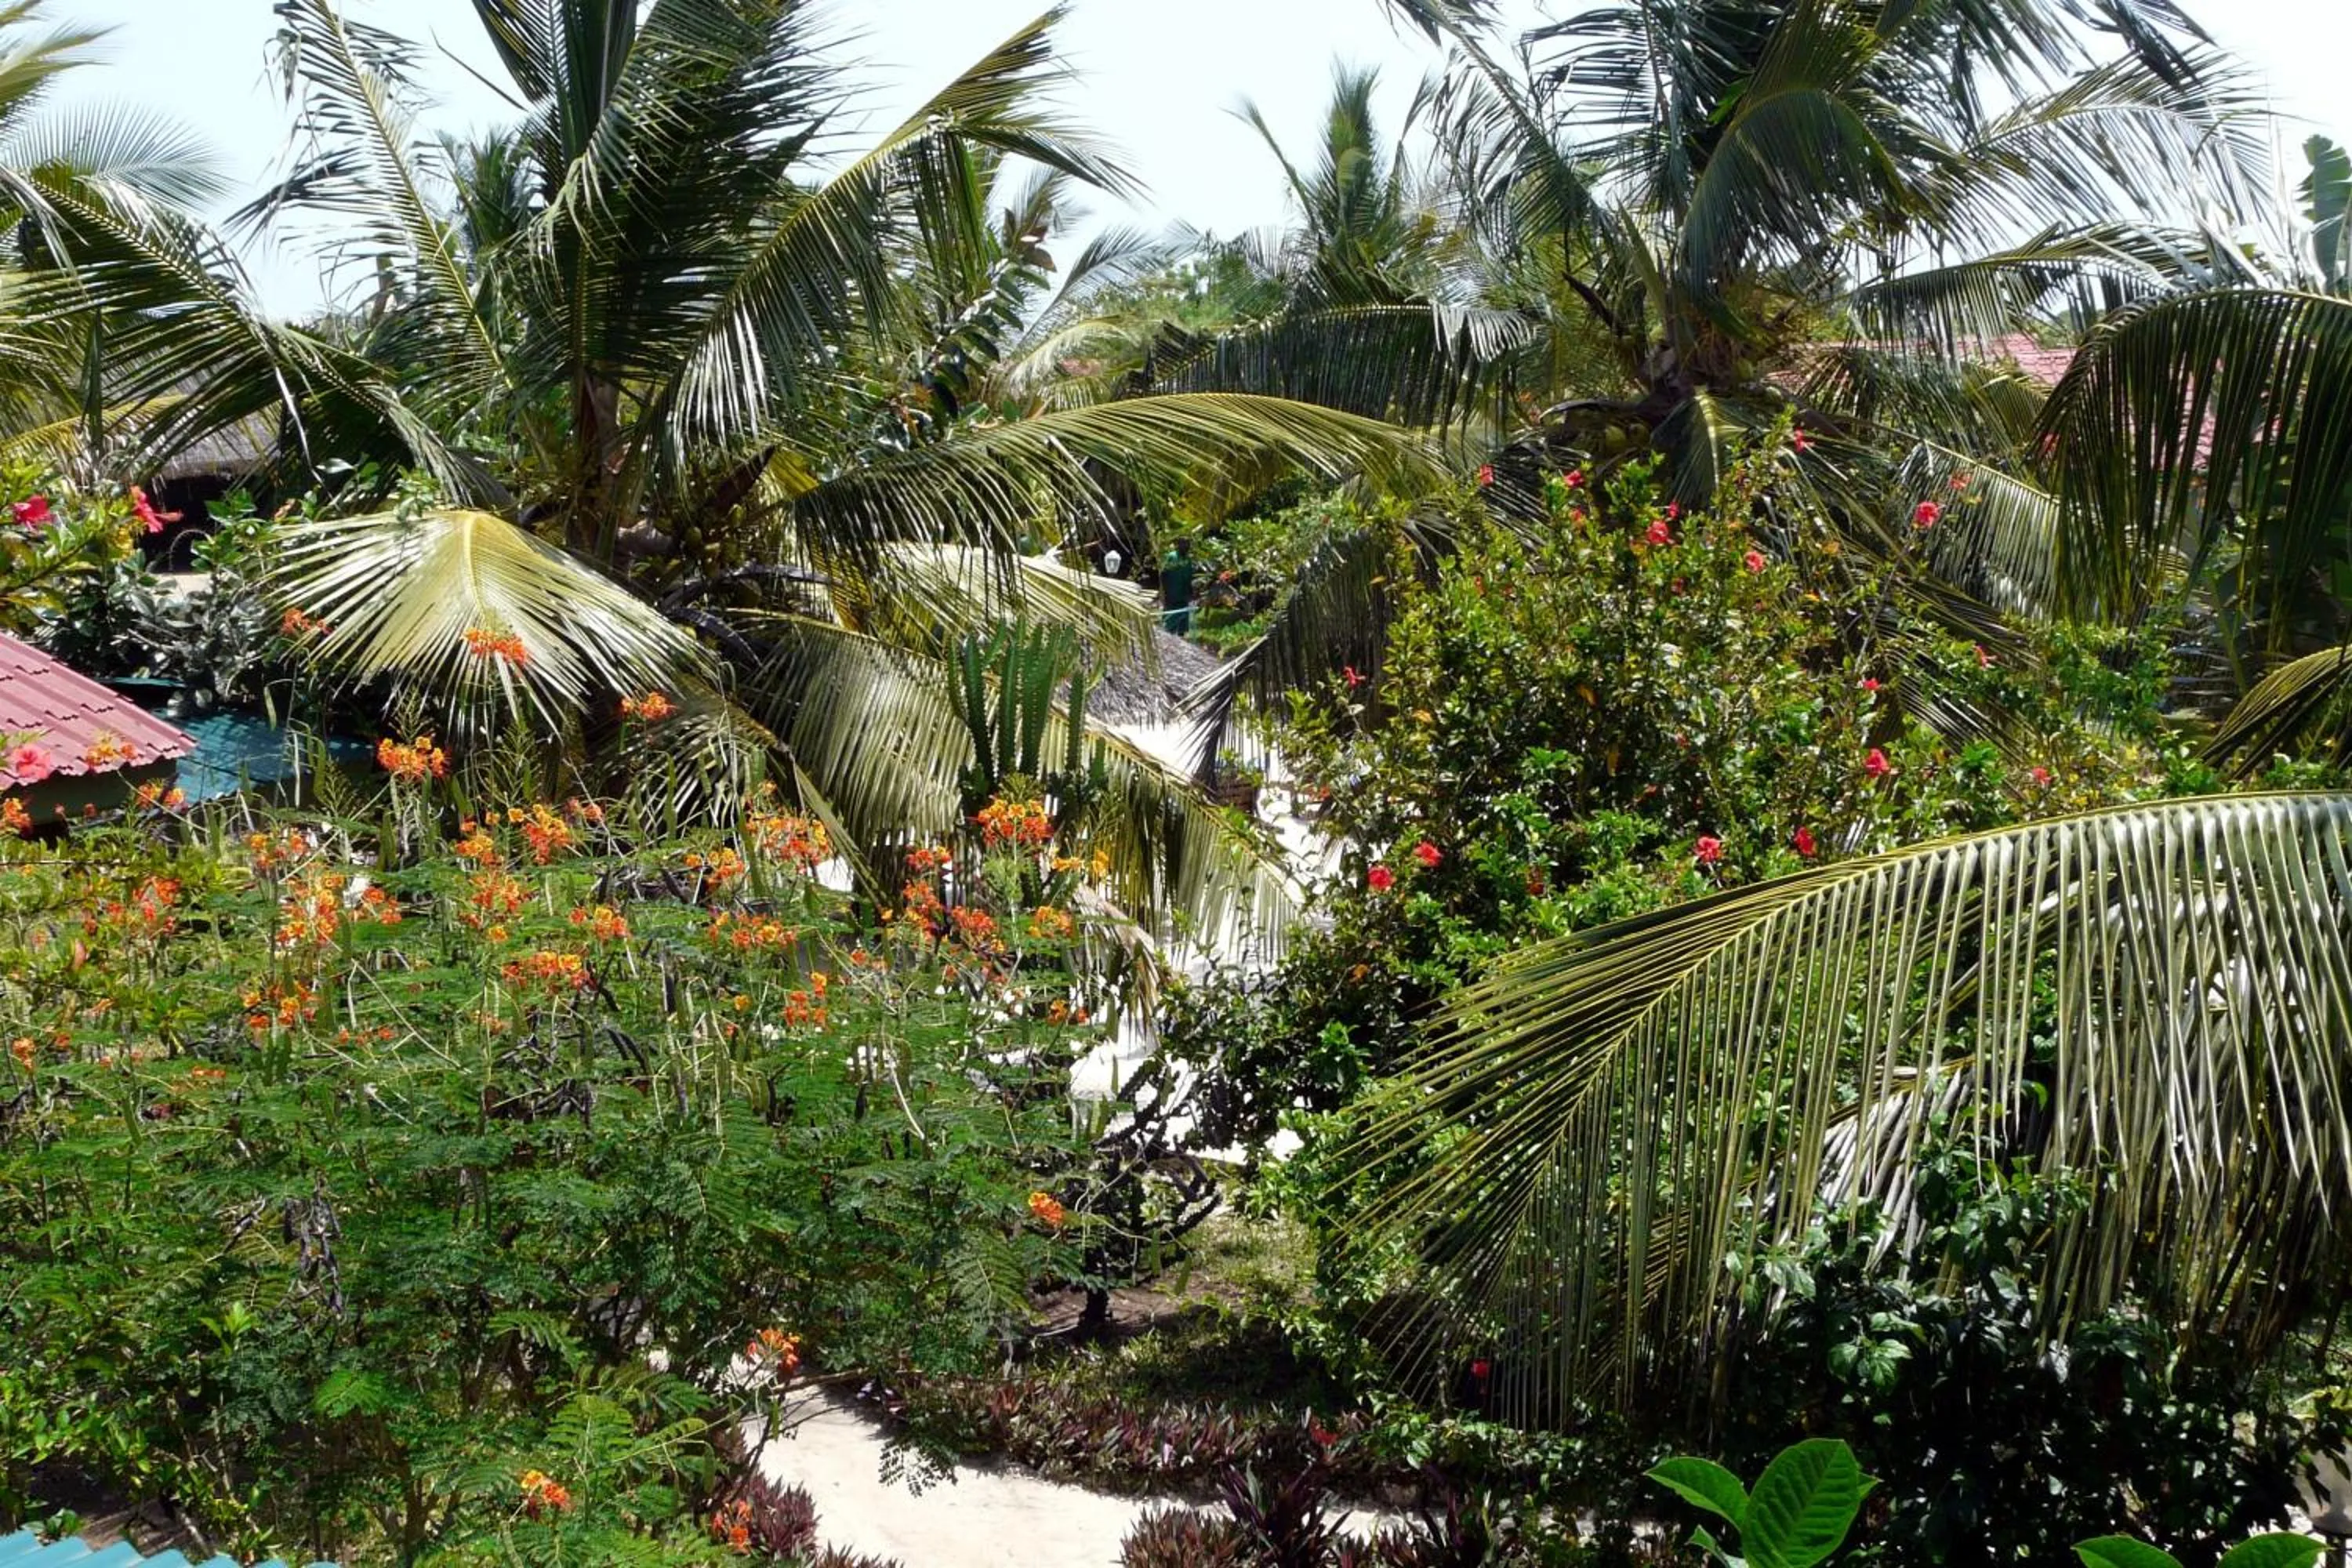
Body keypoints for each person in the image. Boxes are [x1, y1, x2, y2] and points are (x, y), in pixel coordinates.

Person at [1160, 539, 1196, 635]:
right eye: (1184, 544)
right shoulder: (1172, 556)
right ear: (1178, 545)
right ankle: (1169, 632)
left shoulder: (1188, 559)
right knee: (1172, 612)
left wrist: (1190, 592)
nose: (1186, 547)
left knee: (1183, 613)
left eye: (1188, 544)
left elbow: (1189, 576)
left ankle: (1181, 634)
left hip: (1184, 592)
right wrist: (1165, 590)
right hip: (1172, 590)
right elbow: (1164, 573)